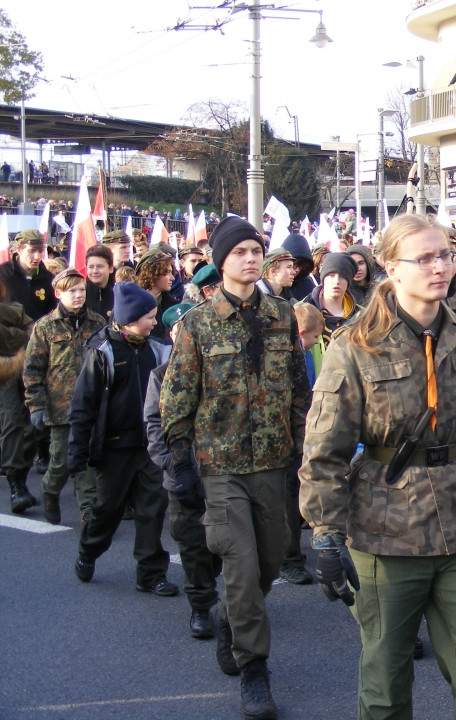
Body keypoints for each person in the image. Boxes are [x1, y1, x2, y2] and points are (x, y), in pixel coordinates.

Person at [299, 213, 456, 720]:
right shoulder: (356, 344)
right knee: (386, 682)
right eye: (424, 258)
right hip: (384, 534)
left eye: (446, 255)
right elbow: (325, 450)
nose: (440, 267)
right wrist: (325, 533)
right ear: (391, 267)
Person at [160, 216, 309, 720]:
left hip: (272, 462)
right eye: (240, 251)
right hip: (219, 465)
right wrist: (180, 462)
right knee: (242, 570)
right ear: (221, 261)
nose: (250, 258)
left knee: (268, 563)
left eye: (256, 251)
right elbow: (177, 397)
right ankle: (254, 668)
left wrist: (303, 449)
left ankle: (230, 618)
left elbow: (298, 388)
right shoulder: (198, 323)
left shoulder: (281, 315)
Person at [69, 282, 178, 598]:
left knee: (151, 510)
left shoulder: (159, 349)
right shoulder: (101, 352)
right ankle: (89, 550)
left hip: (150, 447)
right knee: (107, 510)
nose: (154, 323)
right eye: (149, 317)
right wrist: (77, 451)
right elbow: (83, 405)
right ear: (130, 319)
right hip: (115, 448)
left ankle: (151, 574)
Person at [144, 302, 223, 641]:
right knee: (192, 544)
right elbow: (154, 425)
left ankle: (216, 586)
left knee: (222, 545)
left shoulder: (219, 369)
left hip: (221, 472)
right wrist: (174, 467)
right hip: (183, 475)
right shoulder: (161, 375)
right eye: (179, 331)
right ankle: (201, 605)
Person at [22, 269, 106, 524]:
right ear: (58, 294)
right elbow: (33, 369)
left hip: (90, 405)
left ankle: (88, 511)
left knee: (87, 459)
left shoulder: (97, 323)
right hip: (60, 407)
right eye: (72, 291)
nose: (79, 295)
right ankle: (50, 490)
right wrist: (36, 406)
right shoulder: (45, 326)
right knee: (61, 462)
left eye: (81, 289)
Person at [0, 229, 55, 510]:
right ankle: (16, 484)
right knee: (13, 418)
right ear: (17, 250)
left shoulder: (46, 279)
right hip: (9, 357)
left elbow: (52, 314)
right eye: (31, 251)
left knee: (36, 418)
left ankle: (27, 466)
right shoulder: (3, 276)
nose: (36, 257)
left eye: (40, 251)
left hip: (40, 357)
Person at [0, 272, 35, 513]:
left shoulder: (12, 309)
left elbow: (31, 328)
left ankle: (19, 478)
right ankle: (15, 482)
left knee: (26, 423)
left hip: (15, 367)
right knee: (12, 420)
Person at [135, 249, 178, 338]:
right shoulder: (134, 307)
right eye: (166, 273)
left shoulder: (174, 306)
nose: (172, 278)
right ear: (152, 273)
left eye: (171, 272)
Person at [85, 245, 115, 320]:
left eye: (100, 266)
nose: (95, 271)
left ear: (111, 268)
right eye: (91, 267)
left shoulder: (118, 295)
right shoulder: (79, 295)